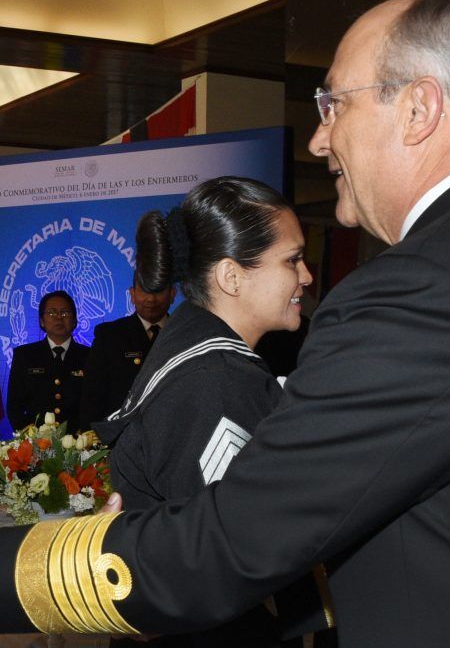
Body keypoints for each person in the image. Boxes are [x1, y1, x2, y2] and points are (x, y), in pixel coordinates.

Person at [0, 0, 450, 647]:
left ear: (419, 108)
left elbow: (238, 540)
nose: (317, 139)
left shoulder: (423, 289)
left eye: (334, 103)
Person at [93, 177, 318, 647]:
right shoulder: (218, 376)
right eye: (292, 260)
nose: (306, 277)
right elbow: (227, 553)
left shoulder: (193, 339)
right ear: (231, 276)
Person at [77, 274, 175, 433]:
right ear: (132, 294)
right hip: (122, 439)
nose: (151, 299)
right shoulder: (109, 335)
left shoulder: (184, 335)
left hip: (171, 437)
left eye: (158, 291)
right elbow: (92, 396)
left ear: (172, 295)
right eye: (144, 291)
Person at [5, 290, 89, 431]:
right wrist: (30, 439)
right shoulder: (24, 356)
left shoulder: (90, 356)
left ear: (74, 320)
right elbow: (14, 407)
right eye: (51, 313)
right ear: (42, 321)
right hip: (37, 445)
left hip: (80, 443)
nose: (58, 318)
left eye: (65, 313)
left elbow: (96, 403)